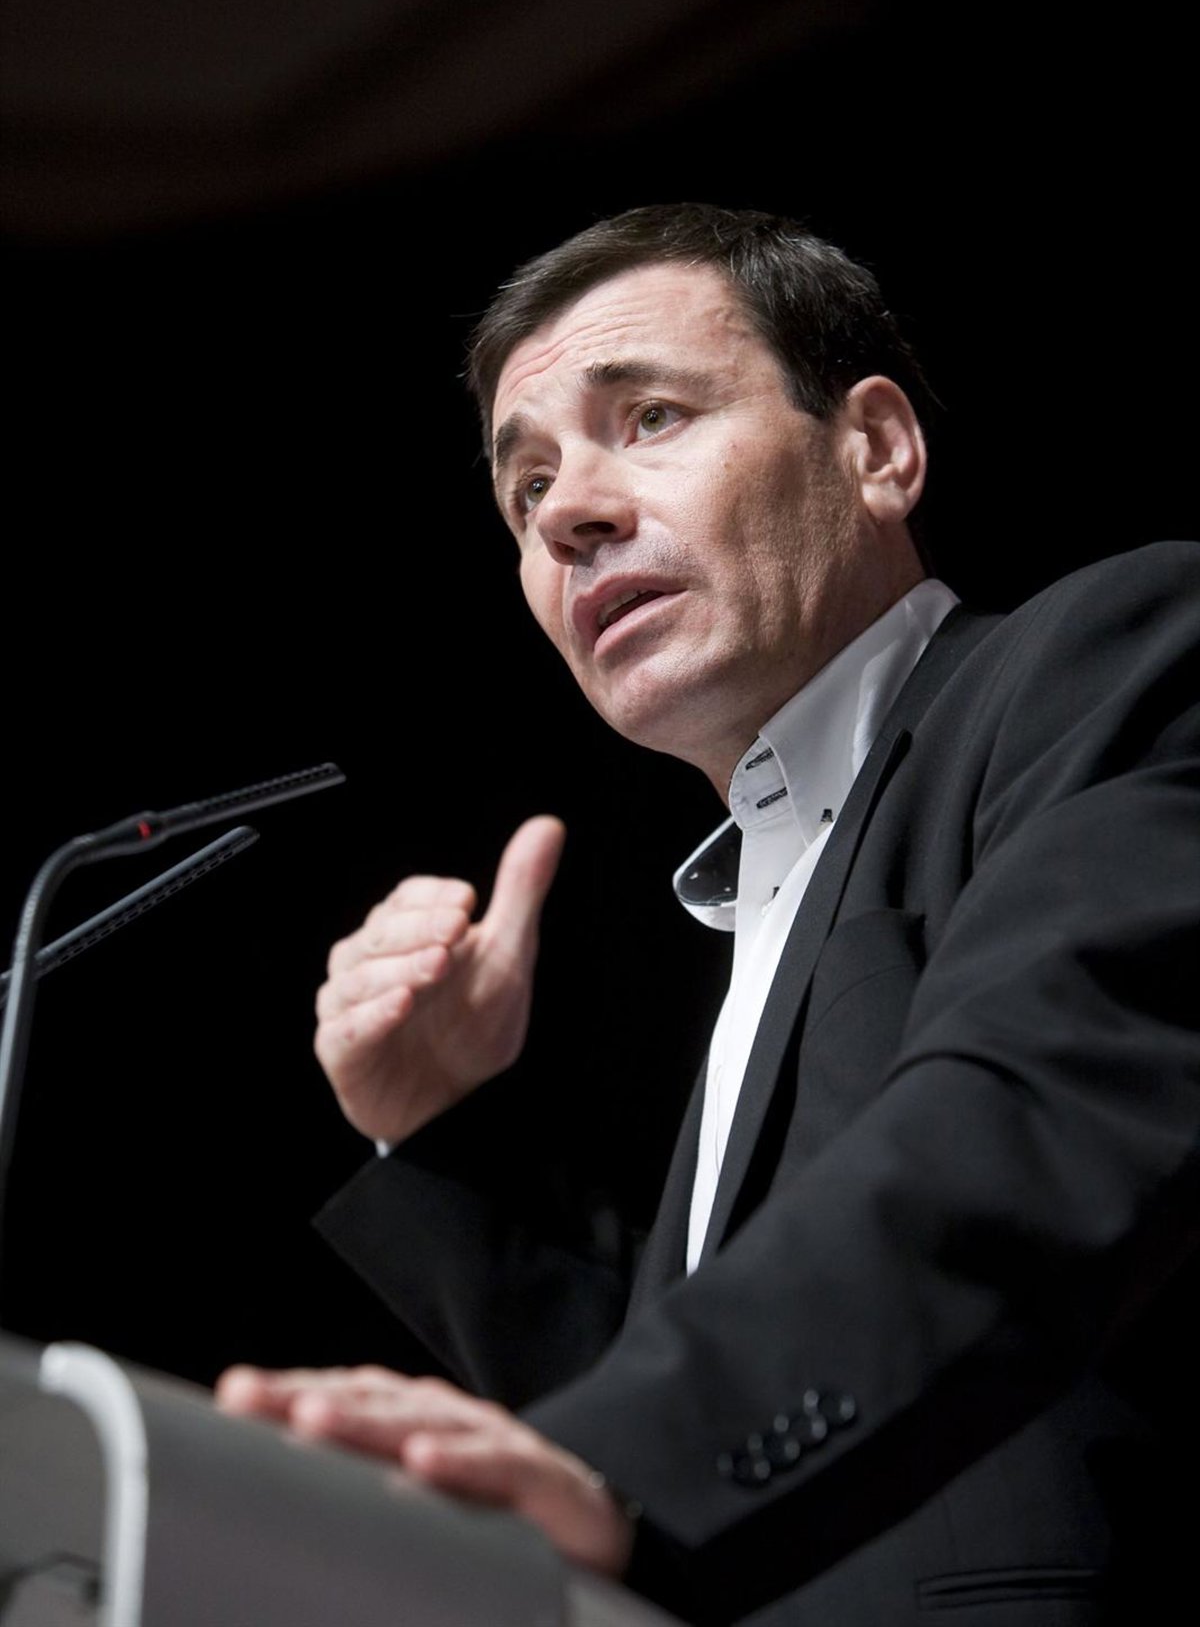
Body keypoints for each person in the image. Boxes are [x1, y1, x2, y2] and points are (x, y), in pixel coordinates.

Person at [217, 204, 1200, 1625]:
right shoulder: (765, 900)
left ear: (877, 450)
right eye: (526, 490)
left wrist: (623, 1460)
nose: (567, 511)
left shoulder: (1110, 662)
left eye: (653, 418)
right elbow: (701, 1460)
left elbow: (1036, 1121)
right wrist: (440, 1135)